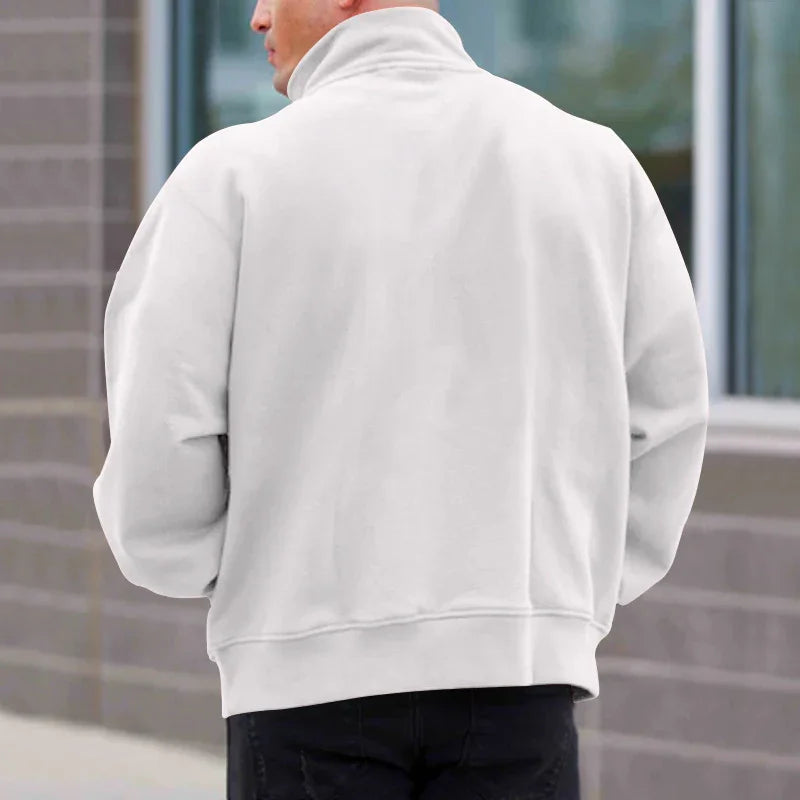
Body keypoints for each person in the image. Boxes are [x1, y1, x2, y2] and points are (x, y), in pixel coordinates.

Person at [92, 0, 710, 798]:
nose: (253, 17)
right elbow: (669, 416)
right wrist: (560, 590)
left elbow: (156, 443)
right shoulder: (592, 165)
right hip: (523, 679)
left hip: (303, 692)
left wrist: (257, 572)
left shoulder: (234, 177)